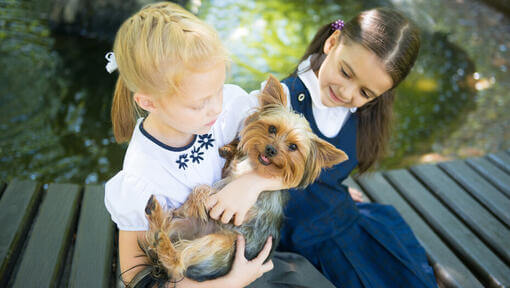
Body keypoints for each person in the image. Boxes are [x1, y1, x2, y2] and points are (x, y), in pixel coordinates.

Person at [104, 2, 335, 288]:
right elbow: (137, 279)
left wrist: (252, 185)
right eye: (200, 103)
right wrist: (229, 283)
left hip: (245, 253)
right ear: (149, 102)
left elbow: (295, 161)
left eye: (218, 91)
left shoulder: (229, 107)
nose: (215, 108)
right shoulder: (142, 174)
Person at [208, 7, 438, 288]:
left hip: (345, 220)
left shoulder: (359, 111)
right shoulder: (281, 102)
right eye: (345, 72)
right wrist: (252, 182)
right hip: (299, 240)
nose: (346, 92)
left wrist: (330, 185)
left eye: (365, 92)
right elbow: (240, 153)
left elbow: (327, 163)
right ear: (332, 42)